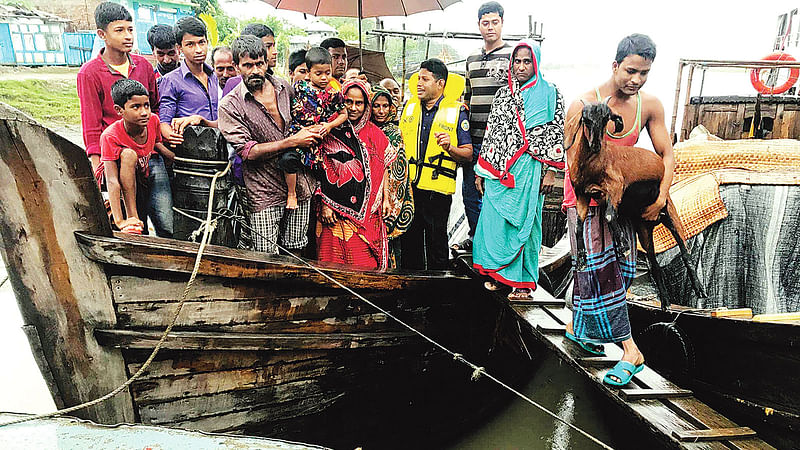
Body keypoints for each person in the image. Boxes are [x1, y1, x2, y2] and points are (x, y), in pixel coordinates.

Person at [564, 34, 674, 386]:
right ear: (615, 65)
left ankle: (584, 331)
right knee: (598, 272)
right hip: (584, 198)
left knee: (619, 272)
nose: (636, 80)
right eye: (630, 71)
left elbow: (666, 155)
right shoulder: (584, 103)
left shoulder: (650, 105)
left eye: (644, 73)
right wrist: (586, 198)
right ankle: (630, 350)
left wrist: (660, 197)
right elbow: (570, 157)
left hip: (620, 199)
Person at [473, 40, 564, 300]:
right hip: (500, 167)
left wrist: (551, 171)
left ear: (535, 63)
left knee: (527, 222)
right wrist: (482, 169)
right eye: (517, 61)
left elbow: (555, 132)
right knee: (493, 219)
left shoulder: (550, 92)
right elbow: (493, 131)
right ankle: (499, 276)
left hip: (531, 166)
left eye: (527, 61)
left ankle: (522, 283)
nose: (521, 66)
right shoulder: (503, 94)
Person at [219, 35, 321, 255]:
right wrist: (292, 141)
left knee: (296, 250)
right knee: (265, 254)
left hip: (299, 183)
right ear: (236, 67)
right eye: (247, 65)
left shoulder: (284, 87)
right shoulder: (230, 105)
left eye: (259, 64)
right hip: (262, 189)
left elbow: (306, 117)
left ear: (266, 63)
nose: (255, 70)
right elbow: (249, 151)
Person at [399, 59, 473, 270]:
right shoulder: (409, 107)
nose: (419, 84)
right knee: (409, 243)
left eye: (425, 79)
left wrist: (450, 147)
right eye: (418, 79)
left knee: (436, 243)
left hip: (437, 192)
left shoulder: (457, 112)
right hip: (410, 188)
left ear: (440, 84)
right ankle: (410, 294)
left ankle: (438, 294)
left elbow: (467, 154)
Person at [316, 80, 396, 270]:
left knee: (363, 265)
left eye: (358, 103)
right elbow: (320, 168)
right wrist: (326, 204)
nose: (353, 108)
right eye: (348, 102)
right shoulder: (329, 129)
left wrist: (385, 197)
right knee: (331, 265)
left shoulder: (375, 134)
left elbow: (383, 167)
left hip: (366, 216)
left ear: (366, 105)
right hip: (333, 214)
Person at [455, 1, 515, 254]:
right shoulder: (471, 60)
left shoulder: (513, 57)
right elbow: (466, 99)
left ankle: (496, 244)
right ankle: (475, 237)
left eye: (495, 22)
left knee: (496, 195)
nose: (490, 27)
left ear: (502, 23)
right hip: (474, 138)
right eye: (485, 23)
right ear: (478, 25)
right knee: (470, 194)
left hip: (500, 143)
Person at [77, 2, 159, 176]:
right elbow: (91, 124)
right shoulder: (89, 73)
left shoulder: (144, 66)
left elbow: (155, 107)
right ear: (102, 34)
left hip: (149, 155)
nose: (128, 36)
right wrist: (98, 165)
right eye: (119, 30)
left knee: (162, 203)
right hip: (116, 156)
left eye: (130, 30)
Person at [101, 79, 174, 237]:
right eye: (136, 107)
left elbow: (156, 143)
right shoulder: (110, 136)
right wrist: (120, 221)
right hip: (118, 179)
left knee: (166, 223)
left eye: (146, 105)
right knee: (128, 154)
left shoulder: (153, 120)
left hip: (143, 173)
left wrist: (175, 158)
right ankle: (132, 216)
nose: (144, 112)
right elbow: (112, 180)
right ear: (119, 110)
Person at [283, 47, 348, 209]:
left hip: (317, 139)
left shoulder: (334, 94)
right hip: (297, 135)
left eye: (328, 72)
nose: (324, 77)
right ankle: (292, 194)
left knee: (322, 171)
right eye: (319, 74)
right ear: (309, 73)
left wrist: (330, 125)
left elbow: (343, 114)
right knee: (288, 160)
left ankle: (324, 204)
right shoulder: (299, 87)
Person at [159, 16, 219, 147]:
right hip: (191, 153)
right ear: (179, 48)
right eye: (190, 44)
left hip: (218, 152)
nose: (198, 50)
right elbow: (164, 122)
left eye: (201, 42)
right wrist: (174, 138)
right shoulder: (171, 80)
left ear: (207, 42)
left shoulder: (214, 76)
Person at [371, 84, 413, 267]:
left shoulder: (395, 133)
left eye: (385, 106)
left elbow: (399, 170)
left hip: (389, 198)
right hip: (368, 196)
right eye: (376, 106)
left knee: (389, 245)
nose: (381, 111)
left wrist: (391, 202)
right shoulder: (362, 129)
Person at [222, 23, 278, 97]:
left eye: (274, 46)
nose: (275, 52)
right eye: (267, 46)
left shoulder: (279, 85)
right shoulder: (234, 84)